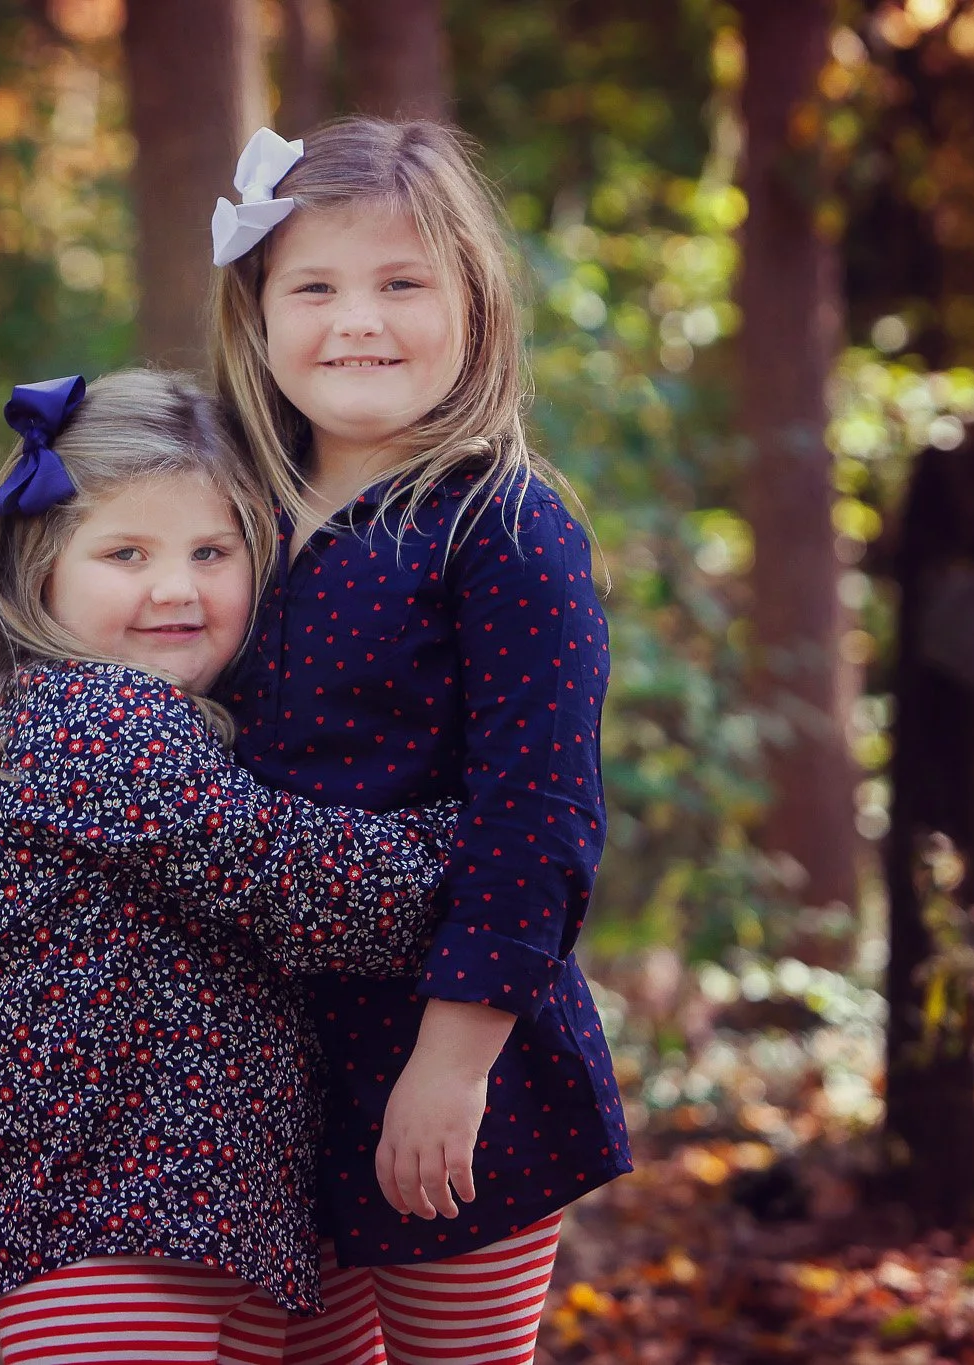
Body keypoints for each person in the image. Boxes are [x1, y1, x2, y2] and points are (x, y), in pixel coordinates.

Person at [208, 119, 633, 1365]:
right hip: (263, 1065)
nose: (358, 320)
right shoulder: (225, 514)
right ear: (258, 311)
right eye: (316, 286)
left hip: (451, 1052)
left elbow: (538, 820)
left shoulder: (499, 526)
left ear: (474, 308)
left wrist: (450, 1067)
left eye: (402, 284)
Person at [0, 368, 462, 1364]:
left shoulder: (196, 726)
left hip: (237, 1205)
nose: (174, 587)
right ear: (38, 566)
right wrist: (472, 845)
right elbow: (288, 875)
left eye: (210, 552)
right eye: (125, 553)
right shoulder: (83, 718)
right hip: (110, 1207)